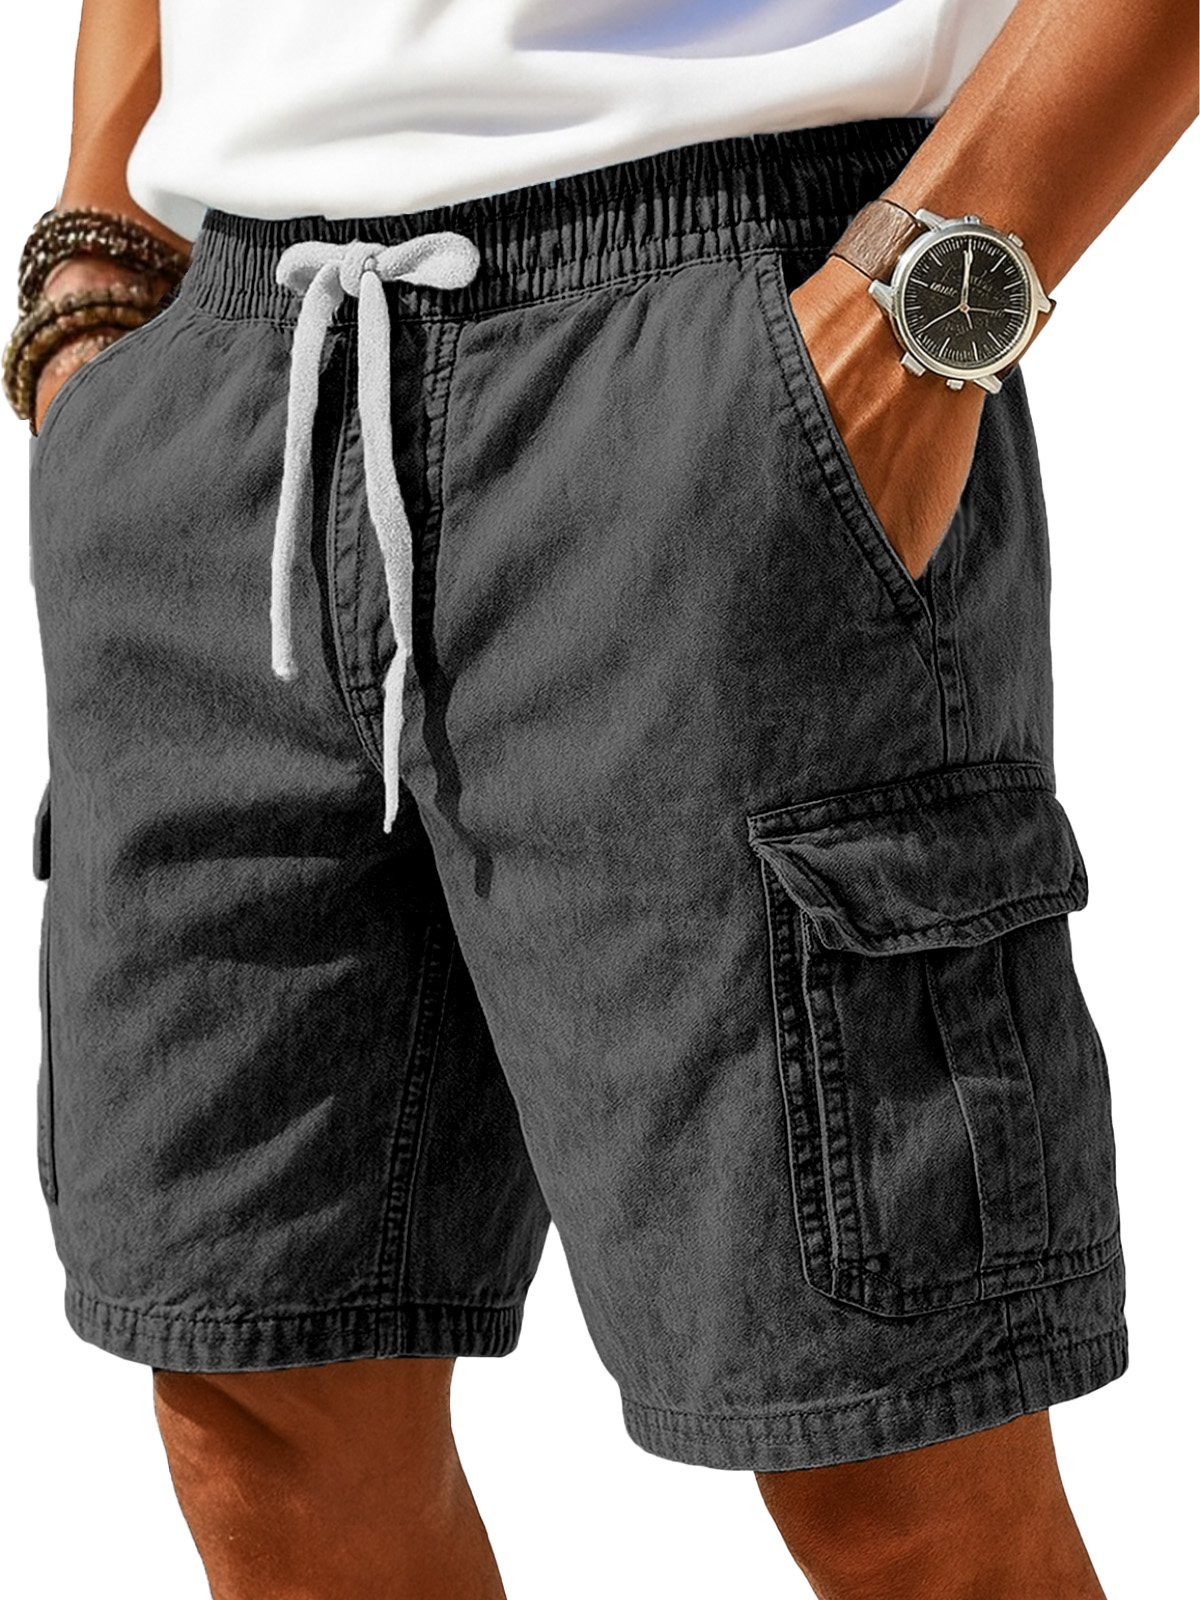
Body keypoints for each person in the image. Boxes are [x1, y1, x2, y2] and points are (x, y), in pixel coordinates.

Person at [7, 1, 1195, 1596]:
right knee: (263, 1401)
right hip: (229, 376)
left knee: (891, 1458)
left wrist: (929, 294)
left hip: (704, 333)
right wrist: (97, 249)